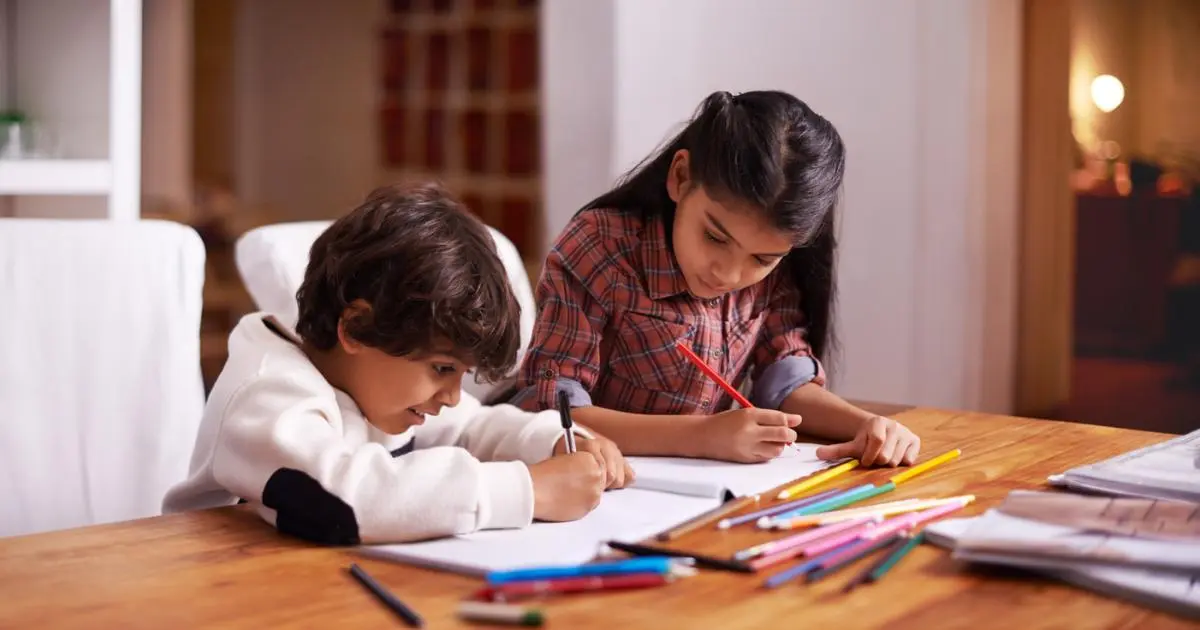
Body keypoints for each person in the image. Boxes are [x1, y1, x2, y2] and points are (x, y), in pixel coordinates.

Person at [163, 182, 631, 545]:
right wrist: (528, 490)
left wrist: (552, 441)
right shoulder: (268, 395)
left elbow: (471, 428)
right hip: (215, 591)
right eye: (443, 369)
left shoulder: (373, 385)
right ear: (356, 329)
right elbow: (346, 501)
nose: (451, 397)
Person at [512, 90, 920, 466]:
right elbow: (556, 412)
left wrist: (868, 425)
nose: (728, 273)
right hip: (595, 483)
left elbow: (784, 382)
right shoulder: (601, 245)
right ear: (681, 177)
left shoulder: (779, 261)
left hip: (707, 489)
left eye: (761, 258)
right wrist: (701, 435)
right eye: (713, 236)